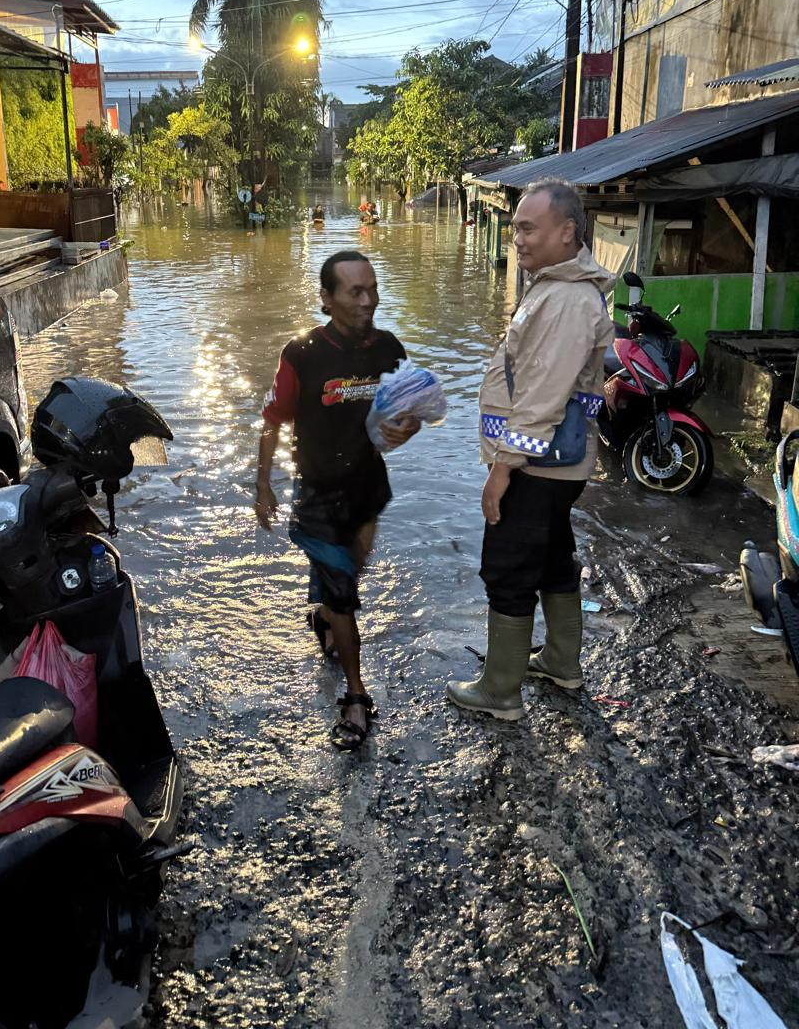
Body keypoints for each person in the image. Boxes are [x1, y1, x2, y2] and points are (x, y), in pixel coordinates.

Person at [447, 179, 614, 721]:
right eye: (515, 225)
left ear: (567, 233)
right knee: (550, 558)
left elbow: (541, 396)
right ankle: (562, 662)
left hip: (536, 465)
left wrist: (501, 469)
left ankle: (500, 690)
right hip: (557, 466)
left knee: (508, 566)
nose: (516, 237)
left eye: (527, 227)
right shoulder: (557, 285)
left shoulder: (565, 298)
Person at [256, 251, 420, 749]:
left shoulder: (388, 348)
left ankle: (324, 612)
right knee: (344, 591)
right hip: (319, 493)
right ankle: (355, 696)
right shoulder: (302, 354)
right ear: (327, 299)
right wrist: (262, 483)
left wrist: (405, 428)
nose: (368, 301)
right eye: (355, 292)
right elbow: (272, 421)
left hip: (369, 487)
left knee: (351, 571)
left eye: (372, 289)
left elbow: (411, 411)